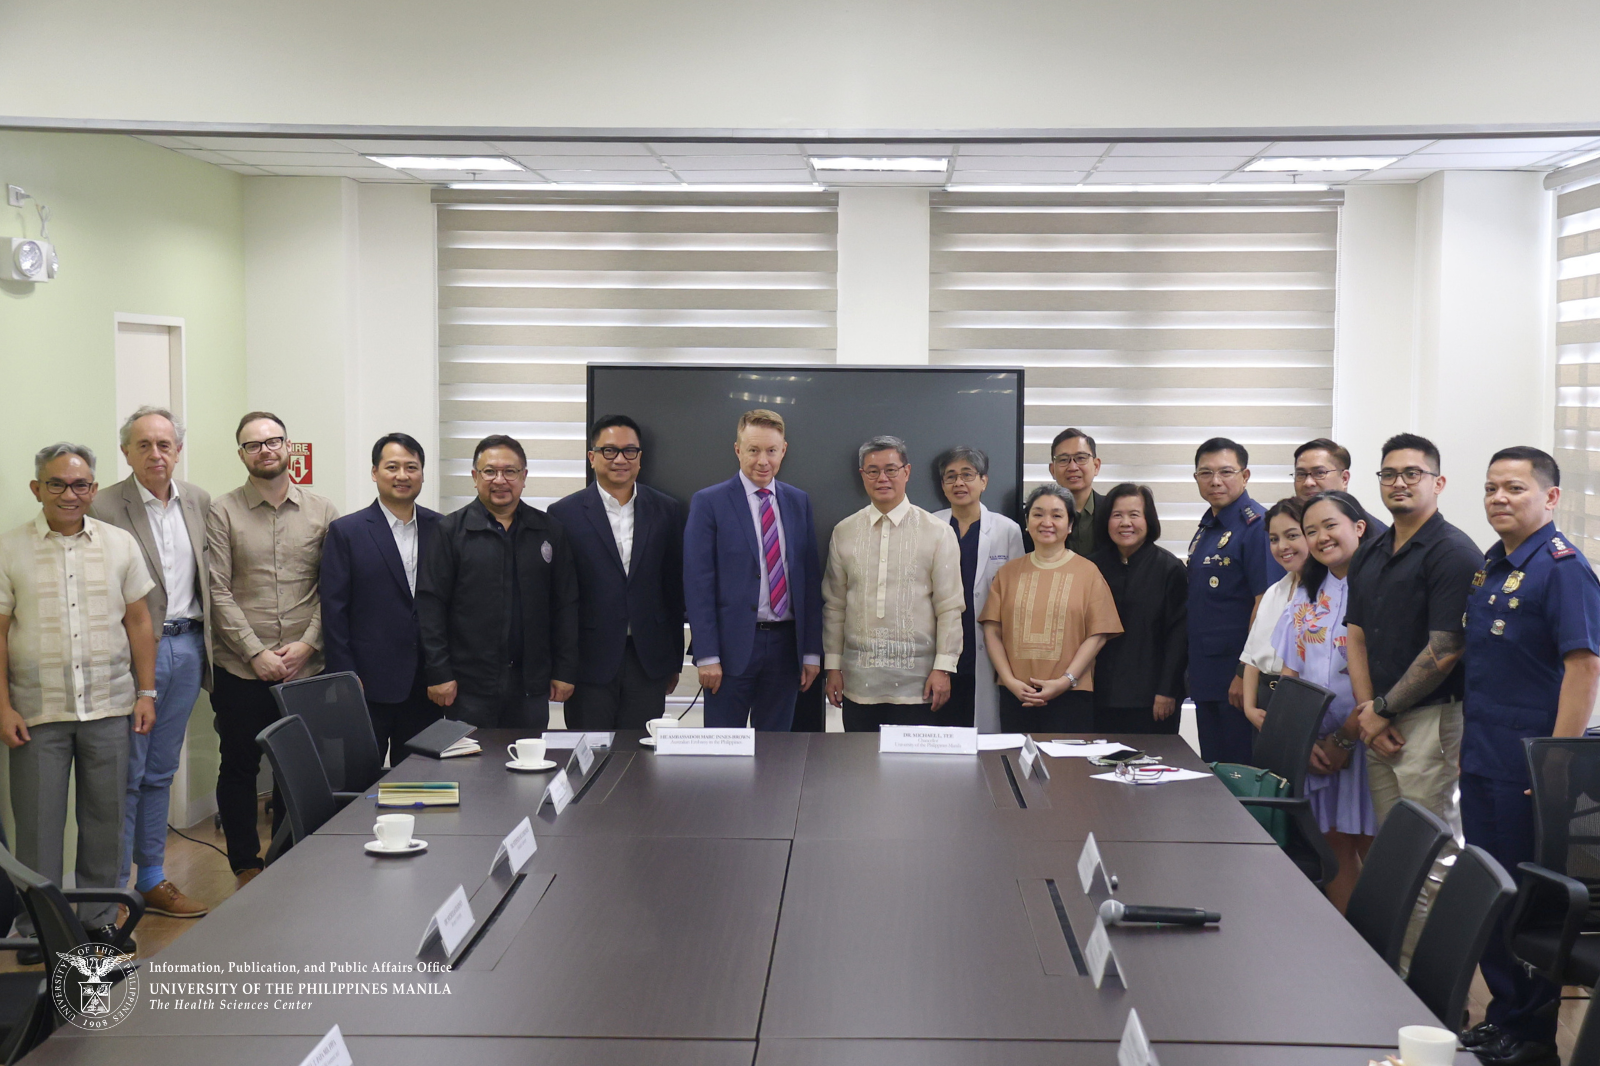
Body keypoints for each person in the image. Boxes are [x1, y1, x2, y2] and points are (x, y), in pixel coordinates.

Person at [1456, 447, 1600, 1066]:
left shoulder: (1563, 568)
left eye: (1514, 488)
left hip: (1530, 768)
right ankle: (1503, 1019)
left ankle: (1533, 1033)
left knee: (1528, 901)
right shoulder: (1493, 565)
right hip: (1484, 754)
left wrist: (1555, 769)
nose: (1498, 498)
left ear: (1550, 497)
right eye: (1490, 488)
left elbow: (1584, 666)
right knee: (1493, 890)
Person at [0, 443, 156, 945]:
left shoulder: (120, 544)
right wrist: (2, 706)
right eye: (58, 484)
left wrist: (146, 692)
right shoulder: (9, 549)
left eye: (81, 484)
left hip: (111, 705)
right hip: (35, 710)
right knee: (38, 830)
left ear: (93, 487)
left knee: (107, 823)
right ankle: (38, 932)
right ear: (36, 488)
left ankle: (100, 923)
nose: (71, 494)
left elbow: (138, 621)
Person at [88, 406, 211, 919]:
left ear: (178, 450)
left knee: (161, 769)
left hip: (188, 648)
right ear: (126, 452)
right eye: (144, 445)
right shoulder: (102, 507)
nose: (156, 454)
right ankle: (114, 891)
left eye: (165, 444)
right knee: (126, 773)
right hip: (134, 654)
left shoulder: (199, 501)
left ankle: (154, 879)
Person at [208, 412, 338, 883]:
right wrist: (254, 652)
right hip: (242, 668)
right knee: (240, 765)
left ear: (288, 446)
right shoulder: (222, 511)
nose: (265, 450)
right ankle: (245, 864)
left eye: (273, 441)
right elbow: (217, 591)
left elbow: (333, 587)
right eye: (253, 445)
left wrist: (308, 644)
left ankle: (290, 859)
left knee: (297, 766)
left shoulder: (323, 509)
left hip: (306, 666)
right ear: (241, 454)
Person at [1345, 434, 1481, 834]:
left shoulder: (1453, 552)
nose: (1398, 483)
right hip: (1379, 717)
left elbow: (1445, 650)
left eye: (1411, 473)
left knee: (1430, 847)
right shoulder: (1371, 550)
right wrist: (1369, 709)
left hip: (1430, 719)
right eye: (1388, 474)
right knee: (1392, 846)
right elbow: (1356, 636)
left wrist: (1382, 711)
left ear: (1437, 483)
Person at [417, 434, 579, 732]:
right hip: (468, 688)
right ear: (475, 477)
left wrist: (565, 669)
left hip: (531, 686)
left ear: (524, 477)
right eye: (490, 471)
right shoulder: (451, 531)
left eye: (510, 471)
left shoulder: (548, 531)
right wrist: (439, 672)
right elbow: (431, 606)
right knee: (470, 772)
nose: (500, 480)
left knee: (529, 771)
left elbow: (565, 604)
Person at [1273, 491, 1381, 912]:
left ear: (1359, 527)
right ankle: (1350, 953)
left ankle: (1393, 963)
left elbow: (1383, 676)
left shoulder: (1380, 586)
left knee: (1381, 850)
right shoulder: (1307, 592)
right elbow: (1291, 675)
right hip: (1318, 748)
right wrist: (1305, 744)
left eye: (1330, 526)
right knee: (1333, 848)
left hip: (1371, 740)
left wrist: (1345, 738)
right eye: (1311, 531)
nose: (1320, 538)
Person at [683, 409, 823, 730]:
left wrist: (812, 653)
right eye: (753, 450)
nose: (763, 460)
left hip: (787, 650)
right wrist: (706, 655)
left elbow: (808, 581)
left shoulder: (798, 502)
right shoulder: (710, 502)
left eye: (771, 451)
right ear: (738, 450)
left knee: (776, 755)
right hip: (729, 652)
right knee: (723, 755)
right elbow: (697, 584)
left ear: (783, 450)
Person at [549, 415, 684, 730]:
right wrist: (562, 667)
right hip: (588, 662)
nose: (620, 459)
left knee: (641, 760)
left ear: (640, 458)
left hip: (648, 660)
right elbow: (560, 598)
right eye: (609, 451)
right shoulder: (563, 514)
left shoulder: (667, 510)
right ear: (592, 457)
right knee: (590, 756)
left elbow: (673, 589)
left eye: (629, 451)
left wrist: (673, 661)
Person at [823, 436, 964, 731]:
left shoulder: (937, 532)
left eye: (891, 469)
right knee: (859, 769)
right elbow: (834, 606)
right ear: (862, 475)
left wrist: (944, 668)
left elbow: (950, 607)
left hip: (919, 685)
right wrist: (833, 667)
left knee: (911, 774)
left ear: (907, 472)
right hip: (857, 682)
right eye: (872, 471)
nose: (882, 478)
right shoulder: (844, 532)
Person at [320, 433, 442, 763]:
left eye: (411, 467)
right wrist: (345, 677)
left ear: (422, 474)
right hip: (367, 685)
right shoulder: (347, 532)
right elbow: (334, 611)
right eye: (392, 467)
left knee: (421, 781)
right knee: (360, 781)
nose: (402, 475)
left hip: (426, 686)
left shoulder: (442, 528)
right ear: (375, 472)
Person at [981, 484, 1123, 732]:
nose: (1047, 522)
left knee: (1067, 769)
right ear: (1027, 522)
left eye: (1057, 515)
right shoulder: (1008, 573)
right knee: (1016, 765)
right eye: (1038, 514)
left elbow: (1098, 634)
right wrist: (1010, 681)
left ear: (1069, 525)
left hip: (1070, 696)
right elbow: (992, 630)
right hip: (1016, 695)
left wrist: (1065, 681)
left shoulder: (1088, 572)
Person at [1187, 437, 1284, 764]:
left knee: (1241, 775)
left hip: (1237, 677)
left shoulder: (1257, 527)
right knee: (1215, 774)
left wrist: (1245, 674)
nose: (1215, 481)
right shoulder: (1208, 527)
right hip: (1206, 675)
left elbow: (1265, 604)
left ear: (1245, 476)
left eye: (1226, 472)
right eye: (1206, 473)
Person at [929, 446, 1024, 731]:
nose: (959, 483)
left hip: (984, 647)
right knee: (939, 736)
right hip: (939, 648)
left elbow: (1016, 598)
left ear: (984, 481)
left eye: (967, 475)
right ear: (942, 485)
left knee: (985, 737)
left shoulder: (1007, 530)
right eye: (951, 476)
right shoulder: (930, 525)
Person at [1090, 483, 1186, 735]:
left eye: (1134, 515)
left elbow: (1179, 635)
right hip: (1095, 695)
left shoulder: (1170, 569)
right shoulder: (1091, 567)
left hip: (1152, 699)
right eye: (1117, 515)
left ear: (1148, 520)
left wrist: (1167, 691)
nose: (1125, 523)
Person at [1240, 497, 1308, 731]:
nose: (1282, 547)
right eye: (1274, 539)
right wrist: (1249, 709)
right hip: (1262, 702)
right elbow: (1251, 657)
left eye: (1292, 536)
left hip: (1299, 701)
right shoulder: (1273, 592)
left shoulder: (1324, 595)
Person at [1293, 438, 1388, 534]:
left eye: (1319, 473)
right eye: (1301, 474)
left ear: (1344, 479)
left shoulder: (1376, 535)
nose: (1308, 483)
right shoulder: (1287, 527)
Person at [1050, 427, 1106, 557]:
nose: (1073, 467)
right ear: (1052, 470)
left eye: (1081, 458)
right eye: (1063, 459)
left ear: (1096, 466)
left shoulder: (1113, 511)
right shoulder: (1038, 517)